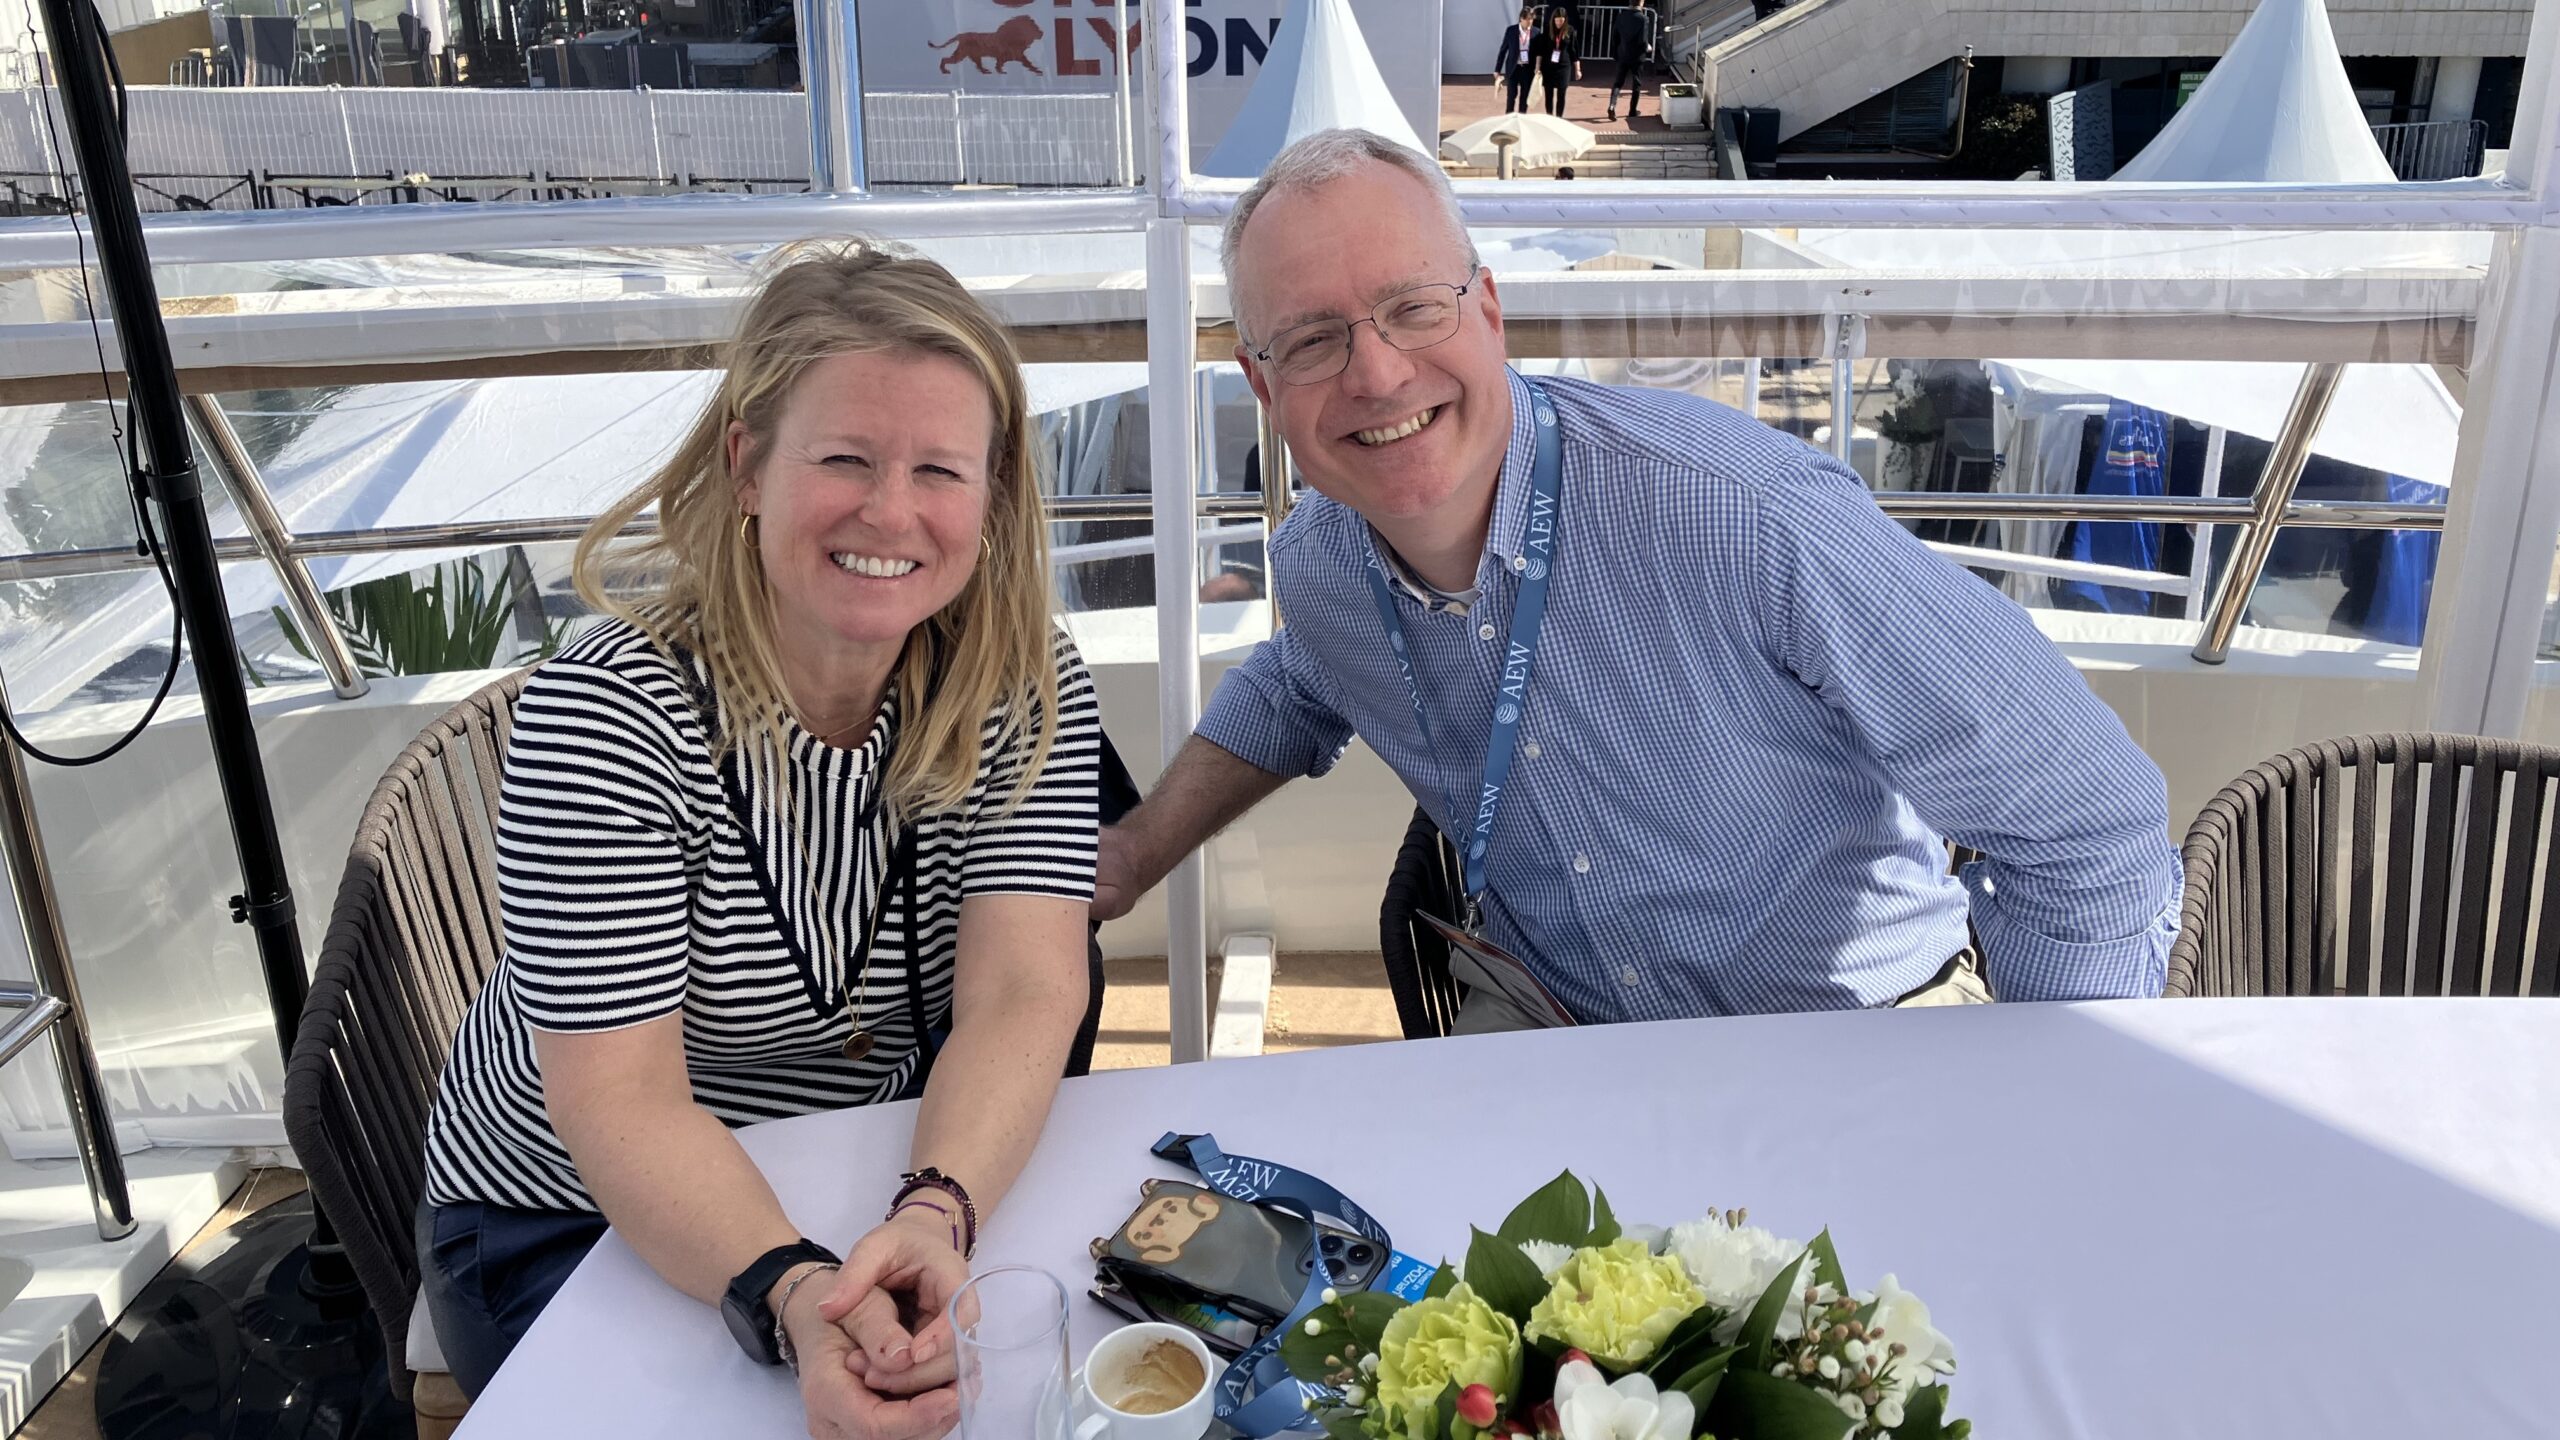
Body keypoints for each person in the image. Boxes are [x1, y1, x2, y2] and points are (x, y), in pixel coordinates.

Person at [1092, 130, 2182, 1031]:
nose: (1376, 373)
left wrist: (2050, 1101)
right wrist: (1136, 852)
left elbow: (2088, 822)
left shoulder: (1740, 512)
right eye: (1312, 341)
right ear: (1262, 385)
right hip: (1559, 1025)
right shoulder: (1323, 561)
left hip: (1848, 1029)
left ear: (1488, 311)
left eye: (1414, 308)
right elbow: (1296, 684)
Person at [417, 240, 1102, 1434]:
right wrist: (796, 1296)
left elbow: (1023, 989)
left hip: (859, 1158)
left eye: (939, 470)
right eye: (844, 458)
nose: (890, 512)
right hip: (568, 1214)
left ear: (992, 497)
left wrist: (933, 1212)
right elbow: (620, 1100)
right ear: (746, 465)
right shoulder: (610, 714)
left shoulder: (1024, 681)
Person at [1606, 0, 1654, 123]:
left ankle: (1612, 105)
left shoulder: (1621, 16)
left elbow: (1615, 35)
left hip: (1623, 53)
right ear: (1641, 3)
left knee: (1618, 82)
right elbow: (1643, 40)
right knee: (1636, 83)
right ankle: (1632, 110)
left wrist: (1615, 52)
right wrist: (1647, 48)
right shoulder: (1643, 19)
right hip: (1637, 56)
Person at [1493, 5, 1538, 115]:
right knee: (1511, 95)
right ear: (1521, 18)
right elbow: (1503, 51)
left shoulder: (1536, 32)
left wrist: (1539, 68)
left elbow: (1539, 53)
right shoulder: (1511, 31)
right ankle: (1509, 117)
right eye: (1528, 19)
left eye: (1532, 19)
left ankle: (1522, 117)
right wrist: (1497, 70)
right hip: (1514, 67)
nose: (1530, 22)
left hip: (1527, 69)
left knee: (1525, 96)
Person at [1537, 8, 1577, 118]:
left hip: (1564, 66)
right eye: (1557, 20)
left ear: (1565, 20)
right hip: (1548, 66)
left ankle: (1559, 118)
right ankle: (1549, 117)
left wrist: (1577, 69)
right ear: (1553, 20)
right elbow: (1541, 50)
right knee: (1548, 94)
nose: (1559, 23)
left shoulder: (1570, 30)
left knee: (1561, 93)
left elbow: (1574, 51)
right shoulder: (1547, 29)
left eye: (1561, 21)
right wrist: (1538, 66)